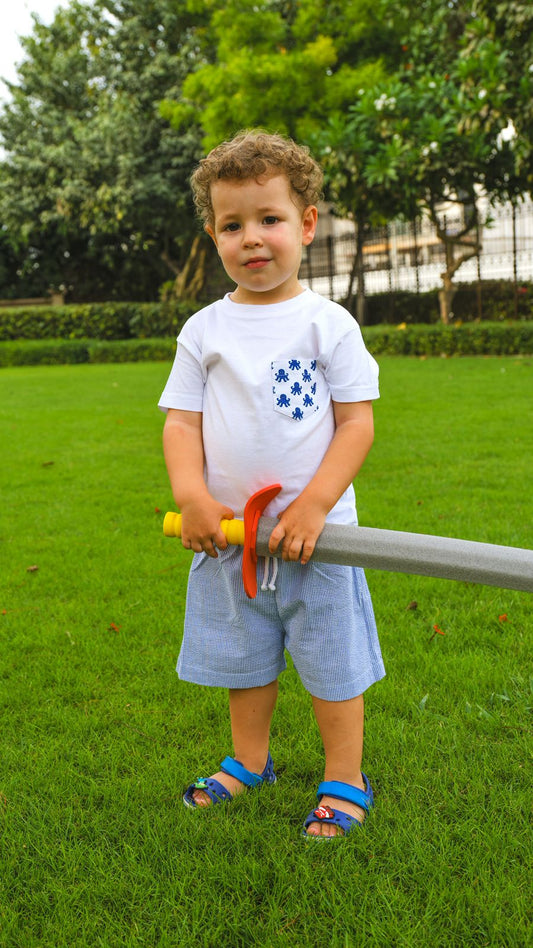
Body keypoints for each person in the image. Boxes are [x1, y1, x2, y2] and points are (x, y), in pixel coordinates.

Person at [158, 130, 385, 839]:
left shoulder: (327, 324)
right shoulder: (203, 330)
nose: (251, 239)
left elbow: (356, 425)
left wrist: (315, 504)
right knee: (243, 658)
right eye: (232, 225)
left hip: (317, 539)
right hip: (232, 541)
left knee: (331, 663)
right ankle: (248, 761)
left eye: (269, 219)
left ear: (306, 224)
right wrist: (193, 495)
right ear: (213, 233)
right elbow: (180, 424)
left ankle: (344, 777)